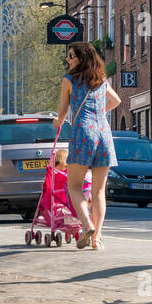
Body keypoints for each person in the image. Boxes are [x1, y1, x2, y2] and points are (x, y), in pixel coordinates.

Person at [54, 42, 121, 250]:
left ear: (82, 58)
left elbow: (63, 112)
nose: (68, 59)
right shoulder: (101, 78)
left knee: (74, 186)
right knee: (99, 190)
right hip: (104, 132)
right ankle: (97, 239)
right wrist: (100, 111)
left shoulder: (69, 80)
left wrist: (57, 122)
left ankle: (87, 225)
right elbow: (116, 101)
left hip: (83, 131)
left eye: (72, 56)